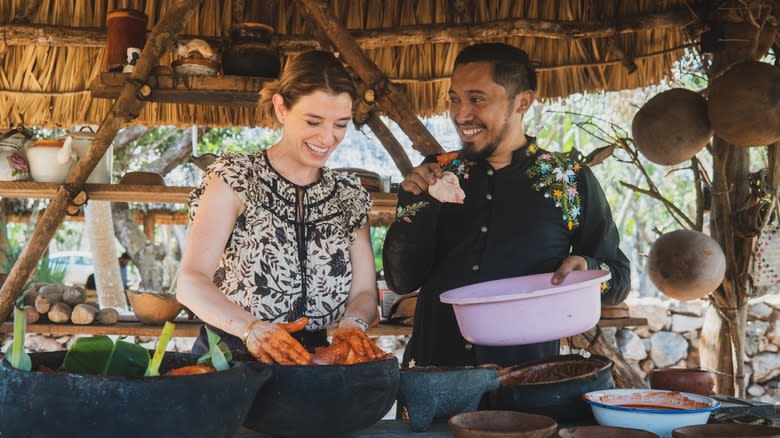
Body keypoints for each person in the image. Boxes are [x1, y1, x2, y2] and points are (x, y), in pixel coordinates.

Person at [382, 43, 631, 368]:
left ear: (522, 101)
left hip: (529, 382)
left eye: (477, 99)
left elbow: (619, 278)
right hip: (435, 378)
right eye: (455, 99)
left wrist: (586, 267)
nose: (460, 114)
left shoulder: (568, 181)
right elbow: (401, 281)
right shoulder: (434, 175)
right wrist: (416, 206)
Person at [177, 50, 382, 365]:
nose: (327, 138)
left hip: (314, 361)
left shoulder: (348, 196)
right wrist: (252, 329)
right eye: (313, 121)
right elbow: (190, 282)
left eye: (340, 124)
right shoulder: (236, 178)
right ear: (281, 107)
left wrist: (353, 324)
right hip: (230, 357)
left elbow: (365, 293)